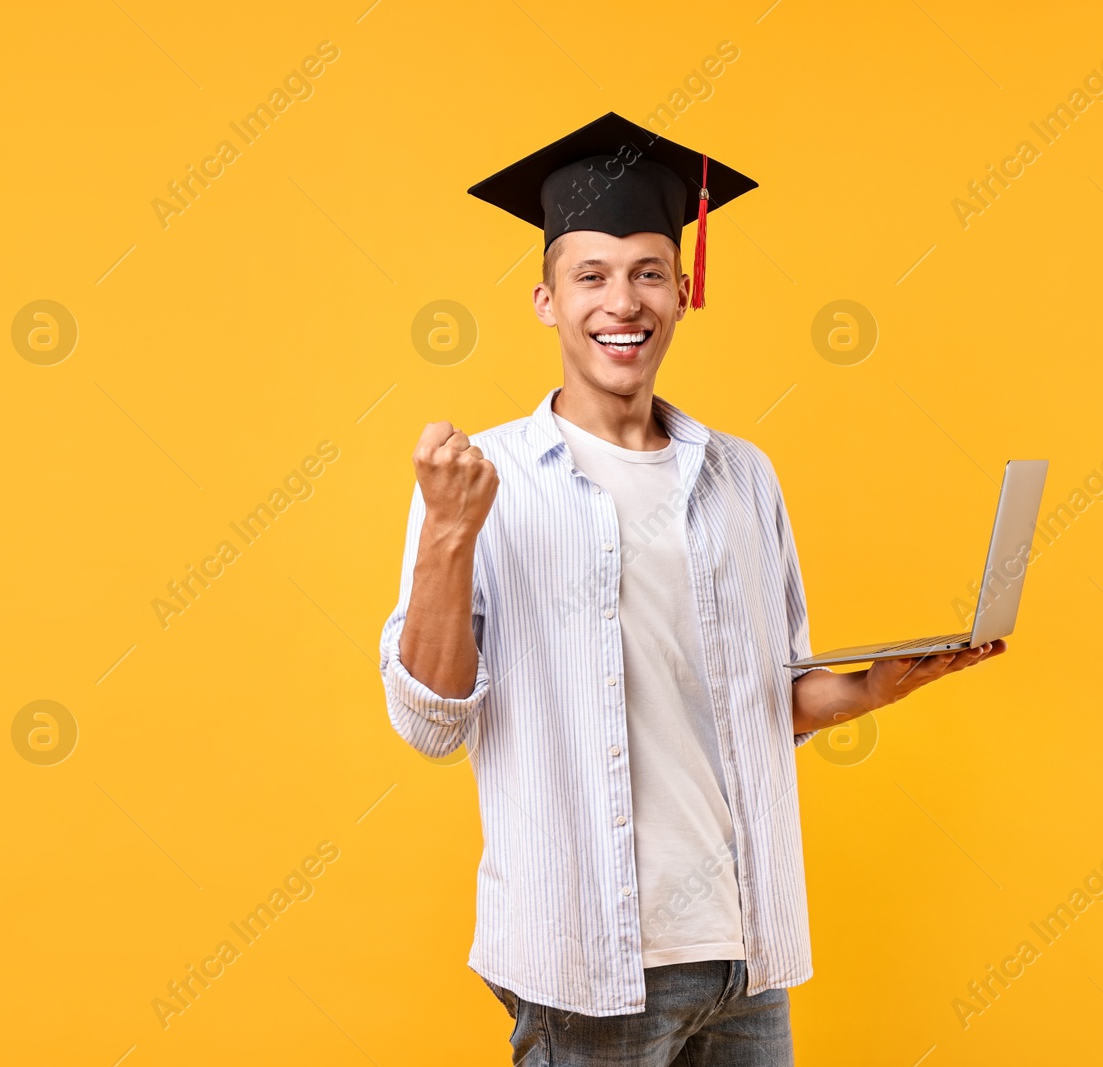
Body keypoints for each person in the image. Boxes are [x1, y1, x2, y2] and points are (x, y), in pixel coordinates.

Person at [378, 112, 1005, 1066]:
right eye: (590, 275)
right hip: (588, 960)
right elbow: (429, 721)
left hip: (742, 953)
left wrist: (883, 685)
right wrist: (449, 535)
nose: (620, 301)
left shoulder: (742, 476)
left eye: (647, 272)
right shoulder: (483, 478)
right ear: (545, 299)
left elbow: (768, 703)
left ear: (683, 290)